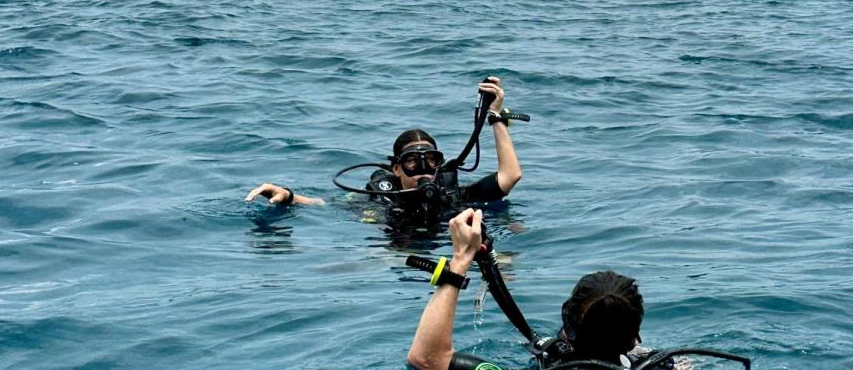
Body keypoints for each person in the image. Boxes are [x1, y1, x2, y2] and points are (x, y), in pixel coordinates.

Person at [406, 209, 646, 370]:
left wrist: (460, 261)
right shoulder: (661, 363)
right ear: (634, 338)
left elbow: (426, 359)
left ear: (566, 320)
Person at [245, 77, 521, 211]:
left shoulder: (454, 196)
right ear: (396, 169)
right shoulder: (381, 199)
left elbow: (510, 176)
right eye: (412, 162)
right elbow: (325, 204)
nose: (423, 170)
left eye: (431, 160)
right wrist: (289, 196)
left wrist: (495, 116)